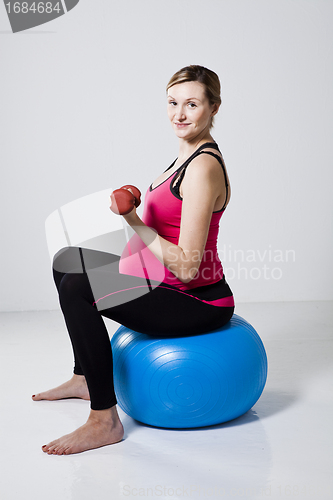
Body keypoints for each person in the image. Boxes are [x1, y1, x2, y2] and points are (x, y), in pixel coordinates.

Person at [32, 65, 235, 455]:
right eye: (173, 103)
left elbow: (188, 265)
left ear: (213, 108)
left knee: (79, 286)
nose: (179, 114)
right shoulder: (183, 159)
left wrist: (132, 219)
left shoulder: (204, 167)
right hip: (164, 286)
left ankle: (104, 420)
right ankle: (84, 377)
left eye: (191, 104)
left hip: (198, 300)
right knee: (67, 261)